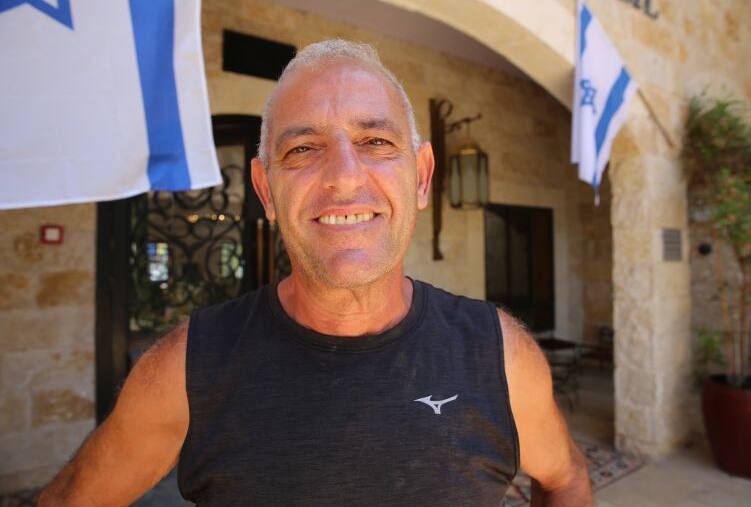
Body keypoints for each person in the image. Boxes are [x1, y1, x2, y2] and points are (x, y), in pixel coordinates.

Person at [39, 39, 591, 506]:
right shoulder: (188, 367)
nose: (344, 178)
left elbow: (567, 481)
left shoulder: (499, 353)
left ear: (421, 178)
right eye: (304, 148)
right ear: (265, 191)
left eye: (376, 141)